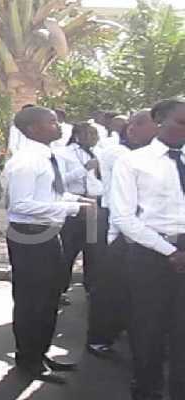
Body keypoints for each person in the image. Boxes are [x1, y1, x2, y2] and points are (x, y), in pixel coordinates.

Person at [4, 106, 93, 384]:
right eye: (51, 122)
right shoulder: (27, 161)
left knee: (49, 298)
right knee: (33, 301)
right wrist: (71, 209)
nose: (58, 126)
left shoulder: (45, 156)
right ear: (33, 129)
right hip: (30, 236)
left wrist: (76, 200)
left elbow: (51, 191)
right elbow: (20, 205)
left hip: (47, 233)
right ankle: (28, 358)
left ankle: (39, 352)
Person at [109, 98, 185, 400]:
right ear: (159, 122)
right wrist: (170, 252)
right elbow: (124, 217)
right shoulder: (133, 161)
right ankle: (147, 388)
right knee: (149, 326)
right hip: (152, 252)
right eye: (181, 122)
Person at [86, 109, 159, 358]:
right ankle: (101, 337)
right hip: (120, 226)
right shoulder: (121, 154)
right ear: (132, 129)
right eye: (155, 125)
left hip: (145, 228)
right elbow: (125, 200)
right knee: (112, 286)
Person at [57, 123, 103, 294]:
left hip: (94, 205)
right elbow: (60, 181)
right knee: (68, 251)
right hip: (74, 207)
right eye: (91, 134)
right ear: (77, 135)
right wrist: (84, 169)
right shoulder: (64, 154)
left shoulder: (99, 152)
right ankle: (60, 290)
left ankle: (91, 289)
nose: (95, 138)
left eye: (96, 134)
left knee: (93, 251)